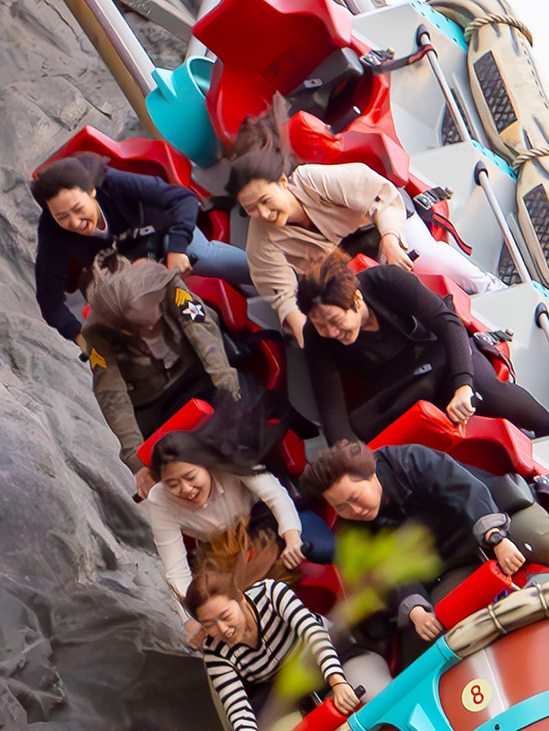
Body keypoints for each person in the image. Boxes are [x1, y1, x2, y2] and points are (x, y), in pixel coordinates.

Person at [309, 437, 549, 649]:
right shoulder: (353, 529)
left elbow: (466, 490)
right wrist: (414, 608)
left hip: (498, 518)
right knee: (433, 624)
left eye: (354, 498)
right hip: (452, 561)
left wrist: (496, 538)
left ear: (370, 473)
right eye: (341, 507)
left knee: (548, 543)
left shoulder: (408, 460)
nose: (353, 510)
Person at [295, 248, 549, 446]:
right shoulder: (317, 338)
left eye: (335, 320)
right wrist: (352, 460)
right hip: (401, 385)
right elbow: (332, 411)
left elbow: (448, 324)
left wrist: (463, 385)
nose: (331, 332)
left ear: (356, 299)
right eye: (321, 324)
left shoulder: (387, 280)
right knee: (371, 433)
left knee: (488, 393)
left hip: (441, 354)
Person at [229, 142, 490, 344]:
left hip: (385, 227)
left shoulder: (311, 181)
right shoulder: (261, 242)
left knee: (428, 257)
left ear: (283, 182)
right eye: (251, 209)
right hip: (352, 272)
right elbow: (284, 297)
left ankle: (488, 288)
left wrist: (389, 239)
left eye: (265, 200)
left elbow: (380, 196)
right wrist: (312, 335)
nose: (262, 214)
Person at [32, 148, 250, 342]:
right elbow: (49, 298)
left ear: (92, 191)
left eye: (78, 209)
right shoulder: (53, 230)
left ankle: (271, 275)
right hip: (126, 270)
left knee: (202, 254)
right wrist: (79, 335)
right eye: (62, 217)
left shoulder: (113, 184)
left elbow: (182, 199)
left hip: (164, 234)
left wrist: (177, 248)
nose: (75, 222)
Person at [185, 555, 361, 731]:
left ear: (239, 597)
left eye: (226, 617)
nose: (223, 630)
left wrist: (337, 681)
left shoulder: (270, 593)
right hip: (285, 692)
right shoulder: (215, 652)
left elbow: (313, 634)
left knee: (373, 692)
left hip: (328, 656)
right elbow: (235, 704)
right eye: (209, 626)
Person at [144, 398, 336, 608]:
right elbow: (175, 569)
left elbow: (275, 495)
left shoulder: (229, 458)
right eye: (172, 484)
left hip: (266, 519)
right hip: (224, 548)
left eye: (191, 477)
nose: (186, 489)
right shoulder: (159, 500)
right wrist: (194, 613)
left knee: (325, 549)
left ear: (206, 465)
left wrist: (292, 538)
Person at [81, 256, 243, 480]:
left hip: (198, 373)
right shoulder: (96, 333)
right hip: (155, 404)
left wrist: (228, 388)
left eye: (152, 323)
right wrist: (135, 459)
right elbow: (111, 393)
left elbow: (201, 331)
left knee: (242, 419)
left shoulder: (168, 285)